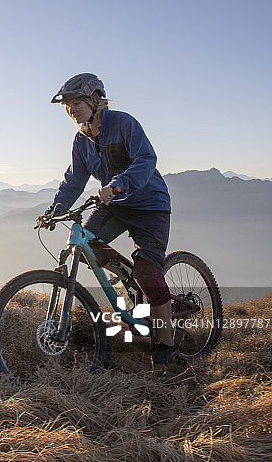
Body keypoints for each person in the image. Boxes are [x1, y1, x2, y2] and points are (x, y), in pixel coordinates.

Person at [37, 72, 178, 364]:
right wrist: (54, 211)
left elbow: (146, 160)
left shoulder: (124, 123)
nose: (72, 109)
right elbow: (74, 180)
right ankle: (128, 300)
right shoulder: (81, 140)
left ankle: (166, 343)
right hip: (113, 205)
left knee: (147, 275)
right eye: (68, 105)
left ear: (96, 100)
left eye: (77, 102)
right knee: (86, 247)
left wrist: (118, 184)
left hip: (149, 205)